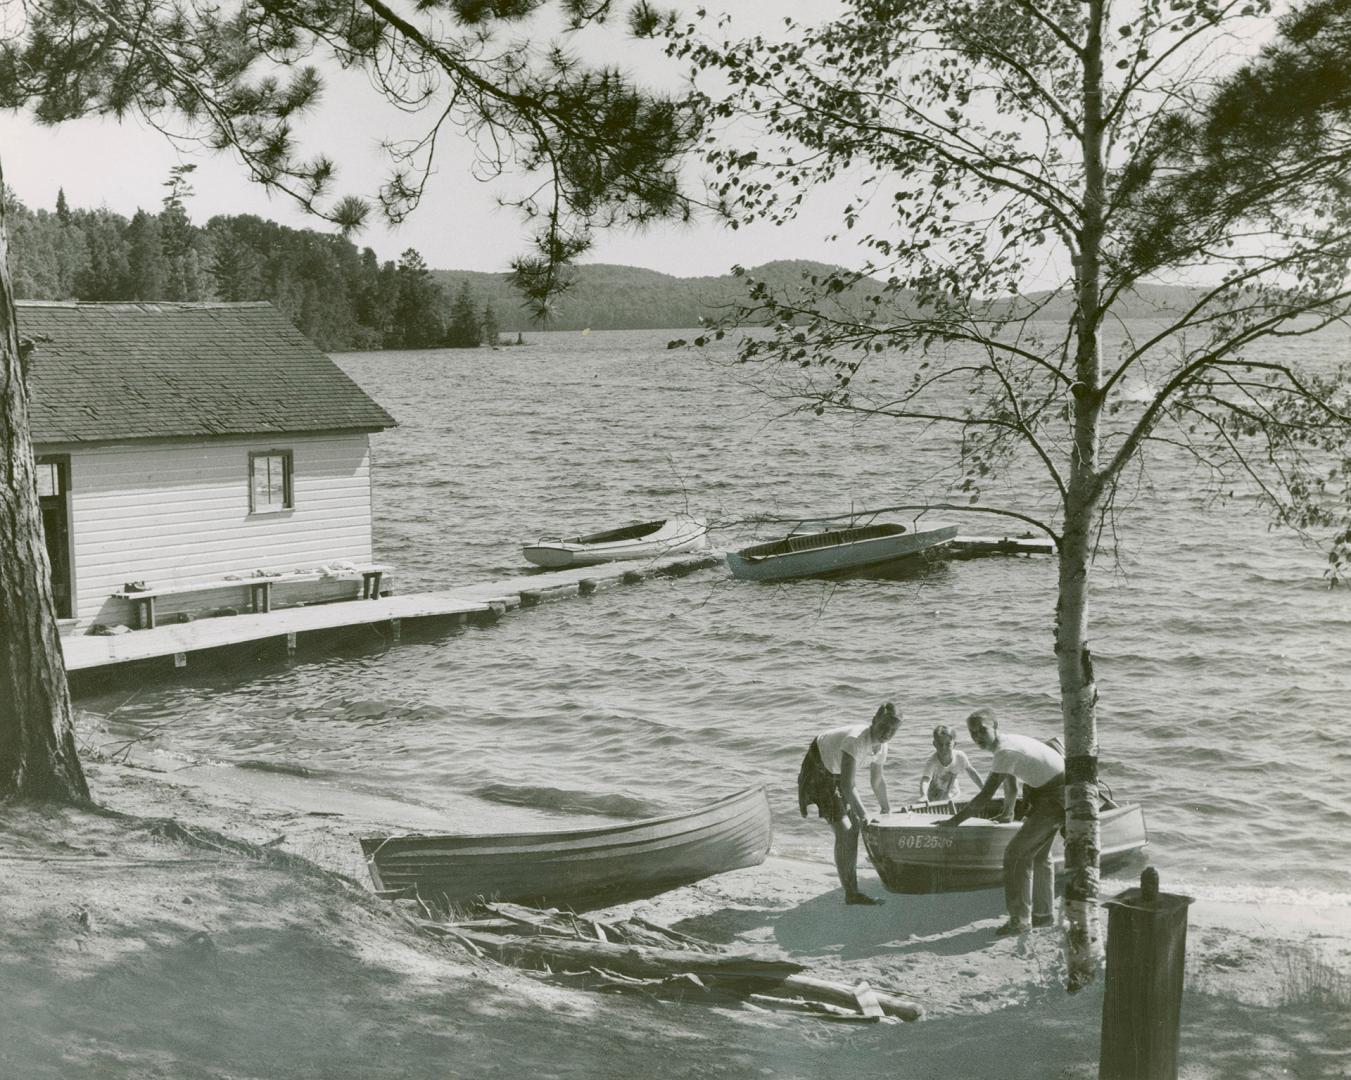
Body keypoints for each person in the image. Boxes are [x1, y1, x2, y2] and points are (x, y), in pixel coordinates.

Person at [938, 707, 1065, 935]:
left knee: (1015, 855)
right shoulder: (1007, 744)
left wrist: (953, 822)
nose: (977, 736)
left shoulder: (1005, 751)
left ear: (995, 726)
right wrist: (1007, 812)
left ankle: (1019, 921)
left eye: (982, 730)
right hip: (1058, 791)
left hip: (1055, 795)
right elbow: (1012, 784)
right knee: (1040, 855)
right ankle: (1043, 916)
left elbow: (984, 797)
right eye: (972, 732)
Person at [797, 701, 901, 905]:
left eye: (892, 730)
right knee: (846, 830)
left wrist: (885, 808)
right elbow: (847, 785)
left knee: (853, 829)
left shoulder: (882, 746)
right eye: (883, 726)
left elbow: (877, 780)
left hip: (835, 773)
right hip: (818, 765)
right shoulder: (856, 741)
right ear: (873, 721)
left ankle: (851, 889)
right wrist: (865, 816)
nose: (886, 732)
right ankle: (851, 893)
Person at [918, 724, 985, 803]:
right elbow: (926, 779)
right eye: (940, 744)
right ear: (934, 744)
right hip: (934, 799)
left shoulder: (960, 756)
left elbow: (972, 773)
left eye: (948, 744)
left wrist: (984, 790)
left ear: (954, 744)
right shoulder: (932, 762)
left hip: (954, 796)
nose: (943, 748)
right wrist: (923, 795)